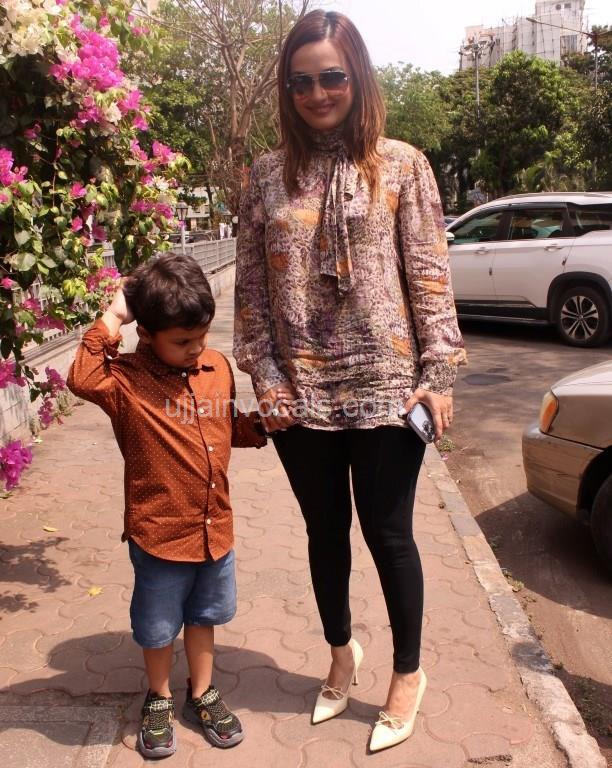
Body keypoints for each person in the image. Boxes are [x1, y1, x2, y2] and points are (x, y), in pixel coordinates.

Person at [233, 9, 466, 753]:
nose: (317, 93)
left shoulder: (402, 165)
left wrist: (437, 375)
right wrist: (266, 377)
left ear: (357, 77)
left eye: (331, 76)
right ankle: (341, 653)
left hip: (388, 387)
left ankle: (408, 672)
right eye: (300, 82)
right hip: (299, 392)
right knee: (323, 532)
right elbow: (250, 294)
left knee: (389, 534)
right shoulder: (265, 176)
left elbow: (428, 275)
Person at [68, 253, 266, 760]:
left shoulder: (216, 367)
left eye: (201, 335)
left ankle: (202, 692)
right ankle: (157, 696)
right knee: (157, 628)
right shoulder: (125, 381)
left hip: (214, 529)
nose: (195, 348)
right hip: (158, 535)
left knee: (204, 616)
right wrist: (115, 313)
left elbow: (226, 425)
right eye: (181, 341)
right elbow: (82, 377)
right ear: (147, 333)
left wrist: (262, 426)